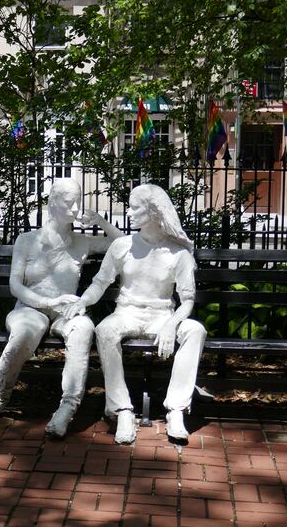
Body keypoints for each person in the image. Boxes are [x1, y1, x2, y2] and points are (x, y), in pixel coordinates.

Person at [0, 179, 122, 437]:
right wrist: (46, 302)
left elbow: (123, 244)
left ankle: (67, 408)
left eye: (79, 201)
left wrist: (100, 221)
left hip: (65, 312)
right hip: (30, 308)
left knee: (84, 327)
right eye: (69, 202)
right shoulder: (28, 240)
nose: (76, 208)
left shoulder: (82, 242)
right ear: (53, 202)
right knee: (25, 332)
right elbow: (15, 285)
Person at [64, 184, 206, 444]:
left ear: (152, 211)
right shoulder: (122, 246)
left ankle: (176, 410)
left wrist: (171, 325)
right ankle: (122, 410)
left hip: (162, 315)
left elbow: (187, 301)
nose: (128, 212)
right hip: (126, 313)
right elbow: (99, 283)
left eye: (134, 207)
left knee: (195, 330)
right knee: (105, 330)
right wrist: (83, 301)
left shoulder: (178, 252)